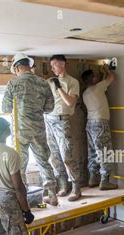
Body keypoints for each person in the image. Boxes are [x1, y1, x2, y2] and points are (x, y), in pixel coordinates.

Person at [2, 53, 58, 206]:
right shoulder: (43, 83)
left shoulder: (13, 84)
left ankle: (23, 200)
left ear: (18, 67)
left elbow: (6, 108)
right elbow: (49, 108)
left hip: (20, 131)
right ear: (29, 65)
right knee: (44, 161)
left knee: (20, 165)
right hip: (38, 129)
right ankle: (52, 195)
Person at [45, 54, 81, 201]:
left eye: (55, 65)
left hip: (62, 120)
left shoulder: (72, 82)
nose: (53, 68)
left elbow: (70, 102)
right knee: (53, 156)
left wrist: (58, 86)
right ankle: (63, 185)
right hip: (48, 120)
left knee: (66, 155)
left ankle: (76, 187)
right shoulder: (48, 82)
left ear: (63, 64)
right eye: (51, 66)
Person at [81, 65, 118, 190]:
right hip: (100, 123)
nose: (97, 77)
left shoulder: (85, 93)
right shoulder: (98, 87)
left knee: (93, 151)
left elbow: (103, 86)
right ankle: (105, 180)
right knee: (105, 152)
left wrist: (101, 76)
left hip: (90, 123)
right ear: (92, 79)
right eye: (95, 76)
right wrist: (106, 70)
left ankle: (93, 178)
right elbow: (112, 77)